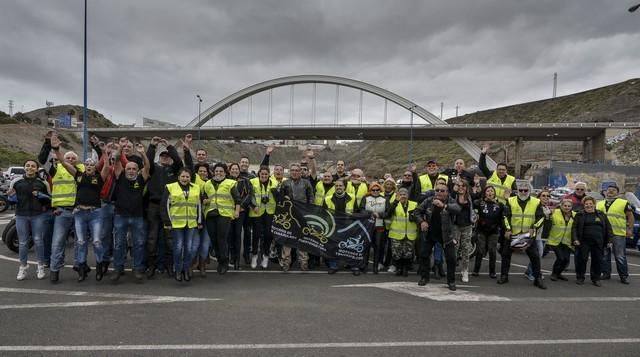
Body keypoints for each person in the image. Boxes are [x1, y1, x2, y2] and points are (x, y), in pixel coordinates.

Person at [52, 136, 110, 282]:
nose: (89, 166)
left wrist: (105, 153)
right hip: (80, 213)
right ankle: (82, 268)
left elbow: (107, 168)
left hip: (95, 213)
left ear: (94, 167)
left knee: (96, 241)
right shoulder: (78, 175)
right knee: (81, 242)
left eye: (92, 165)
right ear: (84, 166)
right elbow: (64, 163)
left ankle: (100, 263)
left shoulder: (99, 178)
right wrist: (57, 150)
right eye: (87, 164)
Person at [46, 134, 85, 283]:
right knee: (57, 242)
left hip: (79, 211)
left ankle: (79, 267)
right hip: (61, 211)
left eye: (73, 158)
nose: (70, 160)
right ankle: (54, 270)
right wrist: (53, 148)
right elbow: (43, 161)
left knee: (79, 242)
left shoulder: (82, 171)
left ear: (77, 160)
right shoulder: (57, 169)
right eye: (68, 158)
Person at [110, 143, 151, 282]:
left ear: (137, 170)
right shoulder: (120, 175)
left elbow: (148, 167)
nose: (131, 170)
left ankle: (138, 269)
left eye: (134, 169)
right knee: (119, 244)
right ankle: (117, 268)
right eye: (129, 168)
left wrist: (142, 153)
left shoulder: (141, 178)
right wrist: (120, 148)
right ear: (125, 169)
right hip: (120, 215)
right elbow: (115, 161)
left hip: (137, 216)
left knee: (139, 244)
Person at [145, 136, 184, 278]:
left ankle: (169, 265)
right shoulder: (153, 169)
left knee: (169, 239)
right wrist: (152, 146)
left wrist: (170, 147)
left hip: (169, 207)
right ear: (159, 158)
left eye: (167, 157)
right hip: (154, 206)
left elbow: (179, 162)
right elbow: (147, 161)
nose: (165, 158)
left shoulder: (174, 170)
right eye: (163, 156)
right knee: (152, 238)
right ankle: (151, 266)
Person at [499, 181, 547, 289]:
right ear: (518, 191)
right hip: (512, 234)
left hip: (528, 235)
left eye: (526, 190)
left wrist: (534, 227)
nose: (523, 192)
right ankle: (504, 275)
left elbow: (541, 217)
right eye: (521, 190)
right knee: (505, 255)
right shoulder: (510, 201)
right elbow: (505, 216)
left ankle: (537, 278)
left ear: (530, 191)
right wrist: (507, 229)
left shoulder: (536, 202)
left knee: (535, 256)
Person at [413, 183, 461, 291]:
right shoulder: (429, 200)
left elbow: (458, 209)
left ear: (447, 193)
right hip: (430, 233)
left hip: (446, 235)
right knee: (424, 255)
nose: (439, 192)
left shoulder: (450, 200)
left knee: (451, 259)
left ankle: (451, 281)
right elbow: (416, 212)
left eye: (442, 191)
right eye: (437, 190)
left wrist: (444, 206)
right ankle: (424, 277)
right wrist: (422, 221)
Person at [11, 160, 51, 280]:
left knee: (38, 240)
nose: (30, 168)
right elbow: (11, 197)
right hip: (21, 215)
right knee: (23, 243)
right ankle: (23, 267)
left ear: (37, 169)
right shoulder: (16, 181)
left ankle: (40, 266)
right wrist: (11, 197)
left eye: (33, 166)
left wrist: (41, 195)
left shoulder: (42, 182)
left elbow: (49, 198)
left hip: (38, 215)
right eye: (28, 166)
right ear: (24, 167)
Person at [161, 168, 202, 282]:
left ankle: (186, 269)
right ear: (178, 177)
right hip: (176, 224)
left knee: (189, 249)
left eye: (187, 177)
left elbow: (199, 206)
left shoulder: (196, 188)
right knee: (178, 248)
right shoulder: (170, 187)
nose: (185, 179)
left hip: (191, 224)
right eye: (183, 176)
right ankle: (178, 270)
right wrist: (167, 221)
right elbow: (165, 206)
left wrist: (199, 221)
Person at [203, 163, 241, 275]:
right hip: (210, 214)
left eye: (221, 171)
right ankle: (220, 259)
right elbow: (204, 196)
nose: (218, 173)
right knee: (213, 239)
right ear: (213, 172)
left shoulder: (230, 183)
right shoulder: (207, 184)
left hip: (224, 215)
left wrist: (237, 211)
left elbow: (237, 199)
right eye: (216, 171)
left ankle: (224, 261)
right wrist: (204, 200)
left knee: (222, 238)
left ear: (225, 173)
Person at [278, 163, 314, 272]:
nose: (294, 172)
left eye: (297, 170)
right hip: (288, 216)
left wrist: (309, 212)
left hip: (302, 215)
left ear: (300, 172)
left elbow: (311, 198)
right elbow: (280, 199)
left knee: (302, 239)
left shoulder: (306, 183)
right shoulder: (285, 183)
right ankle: (286, 262)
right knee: (287, 239)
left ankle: (303, 262)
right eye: (292, 170)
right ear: (290, 172)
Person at [597, 184, 633, 284]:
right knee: (605, 255)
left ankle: (623, 276)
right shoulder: (599, 204)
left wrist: (630, 229)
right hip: (604, 234)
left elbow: (630, 216)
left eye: (613, 190)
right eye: (609, 190)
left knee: (620, 256)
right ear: (605, 192)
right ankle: (606, 274)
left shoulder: (623, 202)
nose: (610, 191)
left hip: (618, 234)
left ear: (617, 193)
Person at [573, 196, 612, 286]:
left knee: (597, 260)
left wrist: (609, 240)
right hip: (583, 241)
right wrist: (575, 239)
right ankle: (580, 277)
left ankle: (596, 278)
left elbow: (608, 228)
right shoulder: (579, 215)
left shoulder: (601, 214)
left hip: (598, 241)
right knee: (582, 259)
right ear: (584, 205)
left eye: (590, 203)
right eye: (586, 204)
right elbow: (574, 228)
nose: (588, 205)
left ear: (594, 204)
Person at [324, 179, 359, 275]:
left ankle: (354, 266)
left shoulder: (352, 197)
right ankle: (333, 266)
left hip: (348, 226)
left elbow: (356, 212)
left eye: (340, 186)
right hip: (334, 227)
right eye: (337, 186)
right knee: (332, 247)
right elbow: (324, 214)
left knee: (351, 246)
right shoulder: (327, 199)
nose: (338, 187)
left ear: (344, 187)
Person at [384, 188, 418, 278]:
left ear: (408, 195)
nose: (403, 196)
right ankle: (398, 268)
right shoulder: (394, 204)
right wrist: (395, 201)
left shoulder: (414, 204)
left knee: (408, 253)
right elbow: (388, 214)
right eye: (401, 194)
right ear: (398, 195)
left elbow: (418, 215)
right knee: (396, 253)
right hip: (396, 233)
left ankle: (405, 268)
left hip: (410, 233)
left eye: (405, 194)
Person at [472, 185, 504, 279]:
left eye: (492, 191)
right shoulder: (479, 203)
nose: (490, 193)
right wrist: (477, 189)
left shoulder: (499, 205)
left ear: (494, 193)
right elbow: (472, 203)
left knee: (492, 251)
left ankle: (492, 272)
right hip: (481, 230)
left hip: (493, 231)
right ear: (485, 193)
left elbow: (502, 218)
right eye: (488, 191)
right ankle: (476, 270)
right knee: (480, 250)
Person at [227, 161, 254, 270]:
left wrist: (241, 206)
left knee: (238, 234)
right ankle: (231, 256)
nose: (234, 171)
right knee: (230, 235)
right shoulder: (226, 181)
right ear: (229, 170)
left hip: (241, 212)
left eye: (236, 169)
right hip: (228, 211)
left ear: (239, 171)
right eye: (232, 169)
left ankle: (237, 259)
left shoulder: (245, 181)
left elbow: (249, 194)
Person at [248, 166, 276, 269]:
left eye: (266, 174)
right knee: (256, 234)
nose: (264, 176)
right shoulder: (253, 182)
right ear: (259, 174)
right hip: (257, 212)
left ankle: (266, 255)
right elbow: (250, 195)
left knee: (268, 235)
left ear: (269, 174)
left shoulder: (274, 183)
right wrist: (253, 205)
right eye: (262, 174)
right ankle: (254, 255)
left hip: (269, 212)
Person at [359, 182, 389, 274]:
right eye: (373, 190)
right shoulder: (365, 198)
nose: (375, 191)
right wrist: (370, 214)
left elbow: (388, 212)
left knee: (378, 246)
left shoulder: (384, 199)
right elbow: (361, 209)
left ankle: (375, 266)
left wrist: (380, 214)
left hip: (379, 226)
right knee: (366, 246)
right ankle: (364, 265)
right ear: (370, 190)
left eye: (377, 190)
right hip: (368, 225)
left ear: (380, 190)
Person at [450, 178, 475, 283]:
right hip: (456, 226)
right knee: (454, 249)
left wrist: (477, 183)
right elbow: (448, 199)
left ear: (466, 187)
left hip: (467, 226)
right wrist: (453, 189)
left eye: (463, 186)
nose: (461, 187)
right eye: (459, 185)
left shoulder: (469, 197)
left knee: (466, 250)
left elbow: (478, 195)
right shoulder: (453, 197)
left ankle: (465, 271)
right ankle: (451, 270)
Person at [544, 198, 575, 282]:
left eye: (569, 206)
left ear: (571, 207)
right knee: (561, 258)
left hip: (567, 241)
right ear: (561, 206)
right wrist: (548, 213)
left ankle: (559, 273)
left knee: (566, 260)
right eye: (565, 205)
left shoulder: (574, 215)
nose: (567, 207)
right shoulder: (555, 212)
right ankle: (554, 274)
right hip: (555, 240)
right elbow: (546, 218)